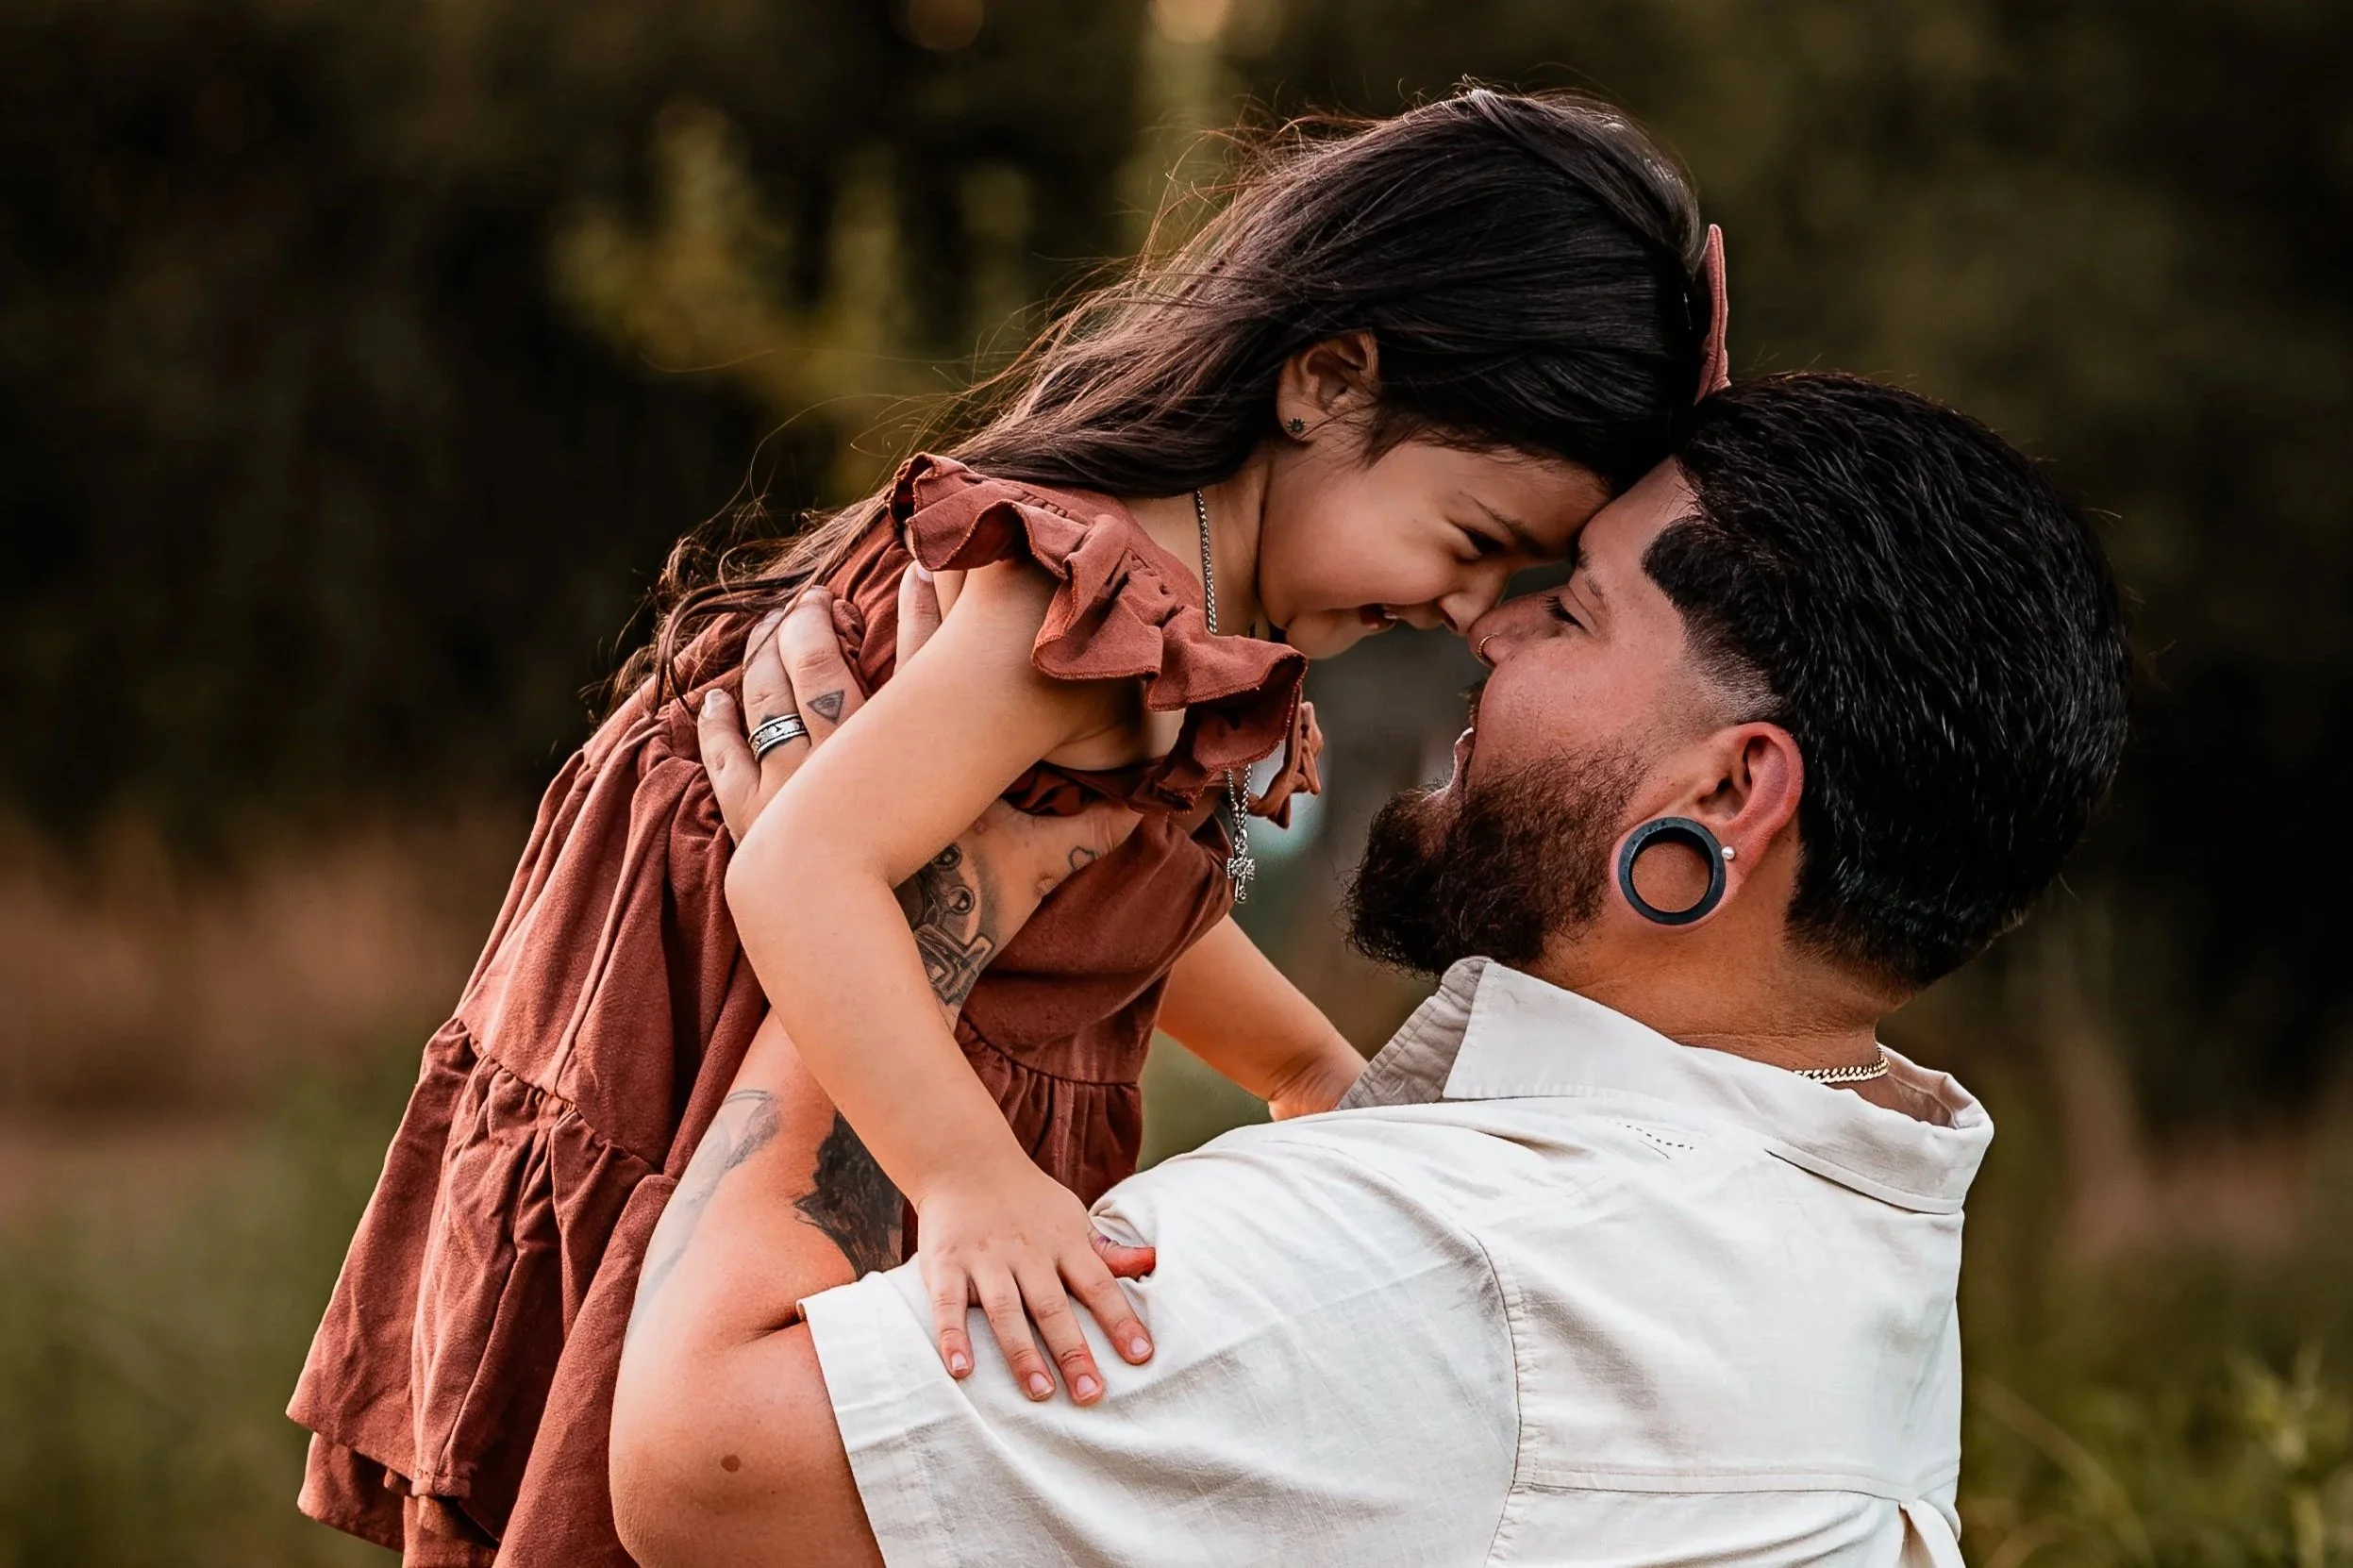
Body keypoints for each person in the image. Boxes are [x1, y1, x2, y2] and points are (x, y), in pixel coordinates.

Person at [290, 89, 1727, 1563]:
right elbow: (804, 863)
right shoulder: (1085, 589)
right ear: (1327, 381)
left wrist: (1303, 1065)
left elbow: (1106, 894)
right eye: (1475, 541)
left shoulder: (1189, 619)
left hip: (880, 1063)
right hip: (775, 1052)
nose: (1465, 607)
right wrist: (966, 1174)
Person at [609, 371, 2133, 1567]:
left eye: (1574, 608)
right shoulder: (1845, 1232)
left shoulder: (1434, 1270)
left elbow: (705, 1467)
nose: (1488, 631)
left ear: (1731, 794)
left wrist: (920, 884)